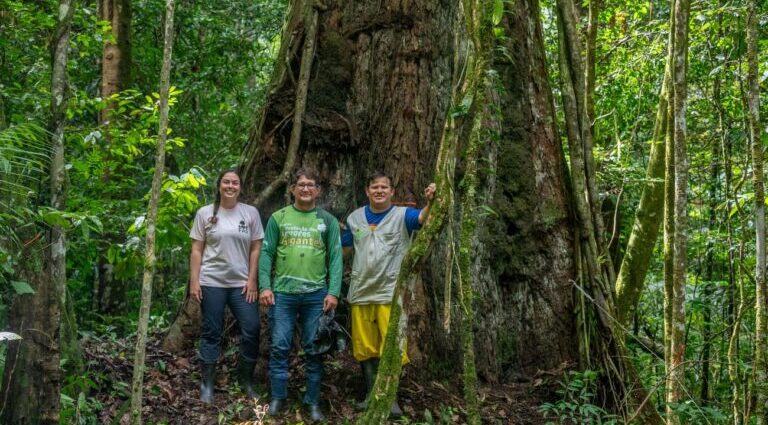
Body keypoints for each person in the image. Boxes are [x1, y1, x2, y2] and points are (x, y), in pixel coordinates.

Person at [341, 171, 435, 415]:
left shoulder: (403, 215)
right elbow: (344, 250)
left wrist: (432, 201)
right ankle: (371, 395)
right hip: (361, 292)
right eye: (375, 187)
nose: (379, 191)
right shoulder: (354, 218)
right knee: (365, 348)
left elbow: (425, 218)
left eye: (384, 187)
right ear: (367, 191)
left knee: (391, 347)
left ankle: (389, 399)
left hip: (390, 293)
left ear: (392, 192)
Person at [258, 168, 342, 422]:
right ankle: (278, 398)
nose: (306, 189)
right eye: (301, 184)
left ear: (318, 190)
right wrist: (265, 286)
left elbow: (336, 258)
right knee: (280, 345)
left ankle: (313, 402)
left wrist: (334, 292)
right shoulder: (278, 217)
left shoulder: (327, 220)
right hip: (282, 294)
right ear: (292, 189)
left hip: (316, 295)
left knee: (314, 349)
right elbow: (266, 254)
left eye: (311, 185)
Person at [189, 168, 264, 403]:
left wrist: (252, 279)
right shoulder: (205, 213)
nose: (230, 186)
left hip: (241, 284)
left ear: (240, 187)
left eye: (235, 183)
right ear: (219, 185)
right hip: (212, 281)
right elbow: (197, 249)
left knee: (251, 328)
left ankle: (246, 381)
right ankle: (207, 385)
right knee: (211, 331)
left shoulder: (250, 213)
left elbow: (256, 248)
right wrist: (194, 281)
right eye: (226, 182)